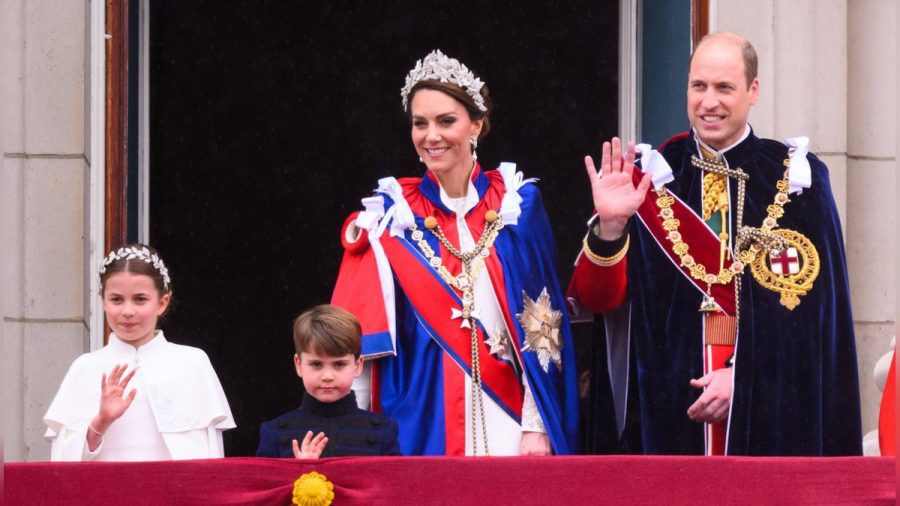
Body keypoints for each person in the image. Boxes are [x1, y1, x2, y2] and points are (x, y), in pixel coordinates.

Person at [569, 32, 862, 456]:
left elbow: (817, 323)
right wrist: (611, 227)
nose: (709, 102)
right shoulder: (649, 178)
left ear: (753, 90)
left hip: (771, 419)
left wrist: (745, 378)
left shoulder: (797, 181)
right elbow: (600, 302)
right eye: (699, 86)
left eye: (725, 87)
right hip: (668, 416)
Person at [331, 50, 579, 456]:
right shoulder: (392, 215)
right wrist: (352, 432)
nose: (432, 136)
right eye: (420, 123)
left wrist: (537, 426)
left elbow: (543, 323)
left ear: (476, 125)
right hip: (420, 412)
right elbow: (359, 336)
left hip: (508, 413)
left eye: (446, 121)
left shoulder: (518, 203)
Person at [44, 244, 235, 461]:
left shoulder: (192, 362)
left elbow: (210, 458)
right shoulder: (84, 367)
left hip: (175, 493)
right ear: (103, 302)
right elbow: (61, 467)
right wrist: (101, 421)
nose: (128, 311)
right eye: (116, 299)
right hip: (107, 493)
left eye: (140, 299)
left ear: (162, 303)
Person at [255, 304, 401, 458]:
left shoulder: (383, 431)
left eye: (339, 364)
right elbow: (262, 482)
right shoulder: (275, 432)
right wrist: (298, 471)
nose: (327, 376)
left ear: (358, 365)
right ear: (299, 365)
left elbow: (394, 482)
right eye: (316, 364)